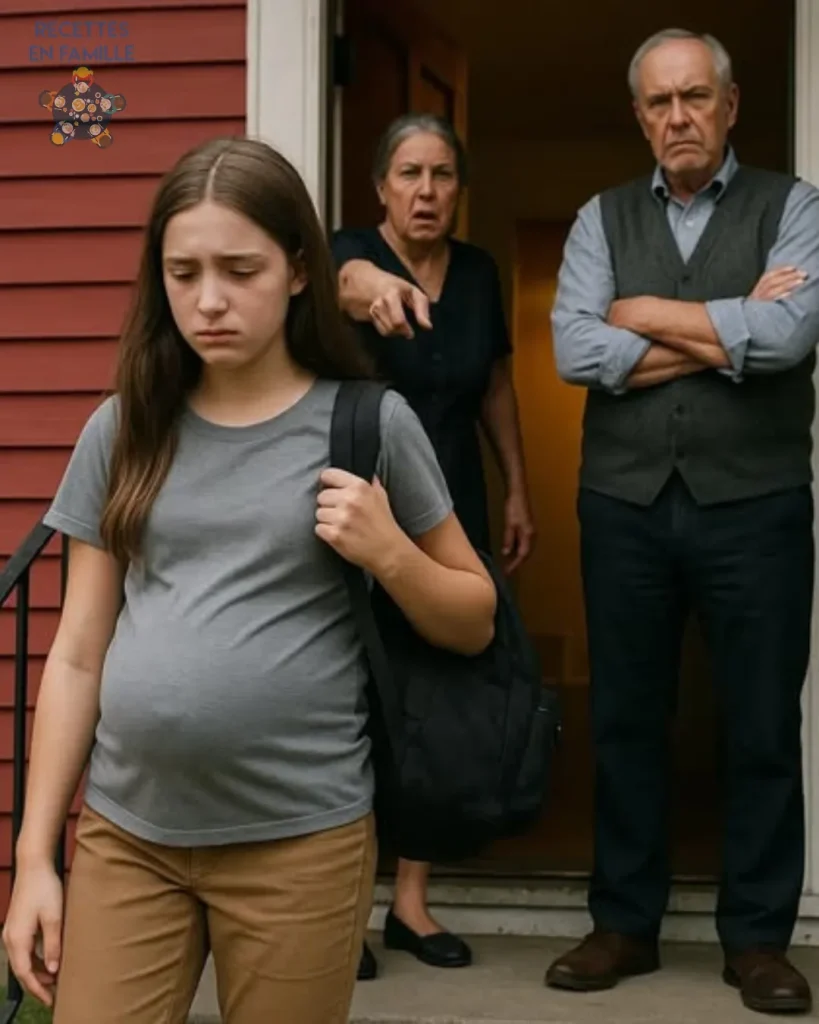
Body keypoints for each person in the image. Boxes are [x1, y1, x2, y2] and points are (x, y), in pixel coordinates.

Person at [1, 136, 498, 1024]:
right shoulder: (123, 431)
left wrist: (388, 551)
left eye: (240, 270)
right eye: (182, 273)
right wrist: (36, 856)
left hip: (301, 843)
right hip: (128, 837)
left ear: (299, 270)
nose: (209, 300)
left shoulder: (368, 425)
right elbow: (76, 654)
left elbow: (474, 618)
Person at [546, 27, 819, 1015]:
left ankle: (758, 941)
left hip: (758, 505)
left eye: (695, 97)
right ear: (639, 117)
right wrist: (729, 322)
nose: (678, 117)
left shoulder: (794, 207)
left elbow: (789, 337)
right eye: (659, 103)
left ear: (729, 105)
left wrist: (642, 312)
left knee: (759, 724)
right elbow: (574, 350)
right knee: (625, 719)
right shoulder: (600, 216)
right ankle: (623, 924)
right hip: (623, 506)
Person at [331, 112, 535, 979]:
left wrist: (517, 485)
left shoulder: (478, 273)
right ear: (381, 186)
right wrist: (372, 286)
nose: (425, 191)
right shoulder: (348, 254)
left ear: (458, 188)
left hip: (452, 506)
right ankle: (344, 905)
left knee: (437, 698)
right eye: (409, 174)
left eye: (441, 174)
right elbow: (342, 284)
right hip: (361, 506)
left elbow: (494, 386)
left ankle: (410, 901)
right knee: (355, 698)